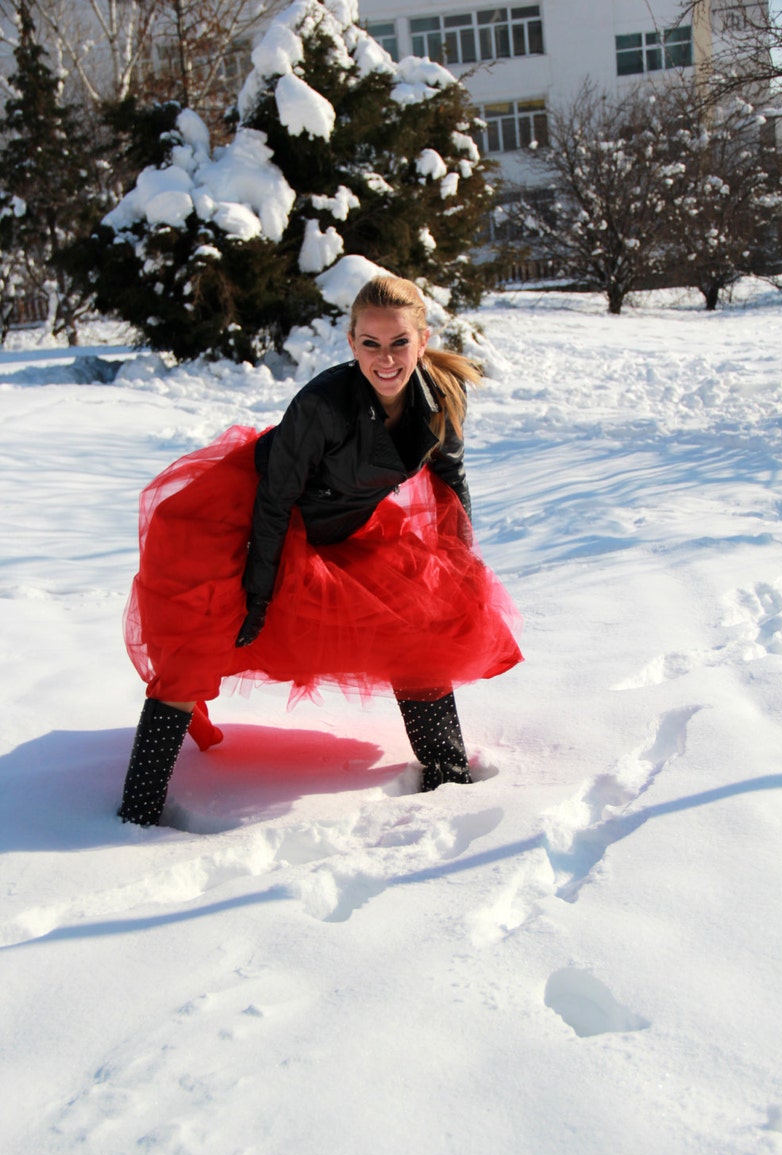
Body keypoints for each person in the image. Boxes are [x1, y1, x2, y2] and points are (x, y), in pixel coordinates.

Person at [119, 275, 523, 827]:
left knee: (422, 614)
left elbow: (450, 475)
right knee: (201, 638)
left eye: (399, 342)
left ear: (422, 340)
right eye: (371, 344)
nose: (386, 359)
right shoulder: (321, 405)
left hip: (342, 524)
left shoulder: (441, 397)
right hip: (244, 521)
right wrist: (258, 594)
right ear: (352, 343)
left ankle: (447, 773)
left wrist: (460, 559)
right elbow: (274, 499)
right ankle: (137, 810)